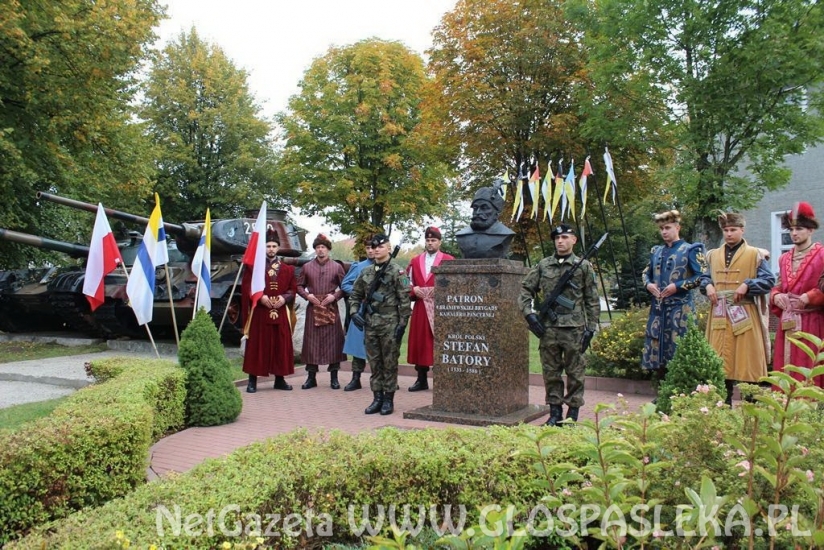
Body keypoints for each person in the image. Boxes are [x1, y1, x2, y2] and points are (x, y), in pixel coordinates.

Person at [518, 224, 600, 426]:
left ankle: (572, 415)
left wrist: (591, 328)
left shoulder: (583, 266)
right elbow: (525, 291)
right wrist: (530, 316)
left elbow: (592, 299)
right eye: (557, 238)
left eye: (564, 237)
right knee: (551, 372)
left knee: (575, 373)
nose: (560, 241)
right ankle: (555, 413)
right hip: (549, 329)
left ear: (574, 240)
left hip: (574, 328)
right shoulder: (544, 265)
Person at [699, 212, 774, 405]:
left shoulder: (755, 255)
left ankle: (752, 415)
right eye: (725, 230)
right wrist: (707, 285)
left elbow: (768, 280)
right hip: (719, 316)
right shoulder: (713, 255)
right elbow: (704, 277)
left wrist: (747, 284)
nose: (729, 234)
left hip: (745, 316)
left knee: (749, 365)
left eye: (733, 230)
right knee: (719, 366)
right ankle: (722, 412)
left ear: (742, 230)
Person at [349, 234, 411, 415]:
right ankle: (376, 398)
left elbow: (405, 300)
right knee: (375, 364)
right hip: (371, 324)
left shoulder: (399, 272)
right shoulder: (365, 272)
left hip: (390, 324)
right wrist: (354, 312)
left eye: (380, 246)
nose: (376, 250)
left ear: (389, 249)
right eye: (374, 247)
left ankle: (388, 400)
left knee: (389, 363)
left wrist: (402, 324)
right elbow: (355, 295)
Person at [641, 210, 706, 381]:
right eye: (661, 228)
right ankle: (662, 390)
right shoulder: (656, 251)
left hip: (680, 309)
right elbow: (645, 273)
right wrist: (648, 284)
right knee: (658, 350)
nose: (664, 232)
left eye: (667, 227)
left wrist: (677, 286)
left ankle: (678, 390)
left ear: (678, 227)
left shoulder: (691, 249)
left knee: (678, 349)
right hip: (658, 310)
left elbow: (702, 276)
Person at [770, 202, 824, 387]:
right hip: (787, 323)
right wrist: (776, 296)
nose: (794, 233)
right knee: (784, 367)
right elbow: (778, 285)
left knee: (809, 365)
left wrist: (810, 296)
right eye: (791, 229)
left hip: (813, 323)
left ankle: (809, 410)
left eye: (799, 229)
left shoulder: (822, 255)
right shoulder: (784, 258)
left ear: (810, 230)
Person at [241, 232, 297, 393]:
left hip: (280, 311)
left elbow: (292, 289)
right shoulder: (254, 268)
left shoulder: (287, 269)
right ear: (263, 248)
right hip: (260, 311)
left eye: (274, 246)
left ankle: (280, 379)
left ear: (278, 248)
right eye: (268, 246)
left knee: (281, 344)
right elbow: (247, 287)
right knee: (257, 345)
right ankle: (252, 380)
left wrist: (284, 298)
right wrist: (260, 297)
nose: (271, 249)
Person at [405, 226, 454, 391]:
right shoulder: (415, 260)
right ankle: (421, 378)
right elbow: (405, 281)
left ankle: (442, 379)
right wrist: (413, 290)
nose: (430, 243)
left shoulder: (448, 260)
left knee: (439, 341)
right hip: (420, 307)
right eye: (428, 240)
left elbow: (455, 283)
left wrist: (440, 291)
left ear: (440, 242)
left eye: (433, 240)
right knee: (420, 342)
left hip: (440, 307)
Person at [296, 234, 347, 390]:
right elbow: (298, 286)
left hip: (330, 307)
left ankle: (334, 378)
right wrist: (307, 295)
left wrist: (334, 296)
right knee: (312, 343)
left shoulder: (337, 267)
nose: (320, 250)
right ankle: (311, 377)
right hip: (313, 308)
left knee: (334, 342)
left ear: (328, 249)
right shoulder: (307, 267)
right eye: (318, 247)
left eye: (323, 247)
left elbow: (345, 286)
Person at [340, 235, 376, 391]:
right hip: (361, 311)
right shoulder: (359, 266)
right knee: (357, 346)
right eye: (368, 248)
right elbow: (345, 284)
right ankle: (356, 378)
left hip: (382, 313)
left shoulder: (390, 267)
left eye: (373, 248)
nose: (370, 251)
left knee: (381, 348)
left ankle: (383, 380)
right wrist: (359, 295)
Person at [455, 178, 515, 259]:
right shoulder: (462, 235)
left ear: (496, 213)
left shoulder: (505, 234)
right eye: (475, 208)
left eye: (484, 208)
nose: (478, 212)